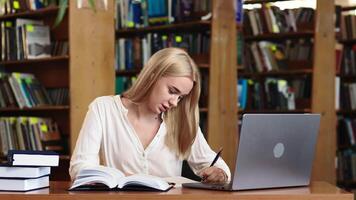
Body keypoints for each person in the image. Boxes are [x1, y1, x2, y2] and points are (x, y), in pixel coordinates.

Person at [69, 47, 230, 184]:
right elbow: (80, 168)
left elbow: (217, 166)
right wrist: (124, 179)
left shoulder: (181, 120)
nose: (175, 102)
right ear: (153, 75)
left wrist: (220, 174)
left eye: (180, 97)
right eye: (172, 91)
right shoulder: (103, 109)